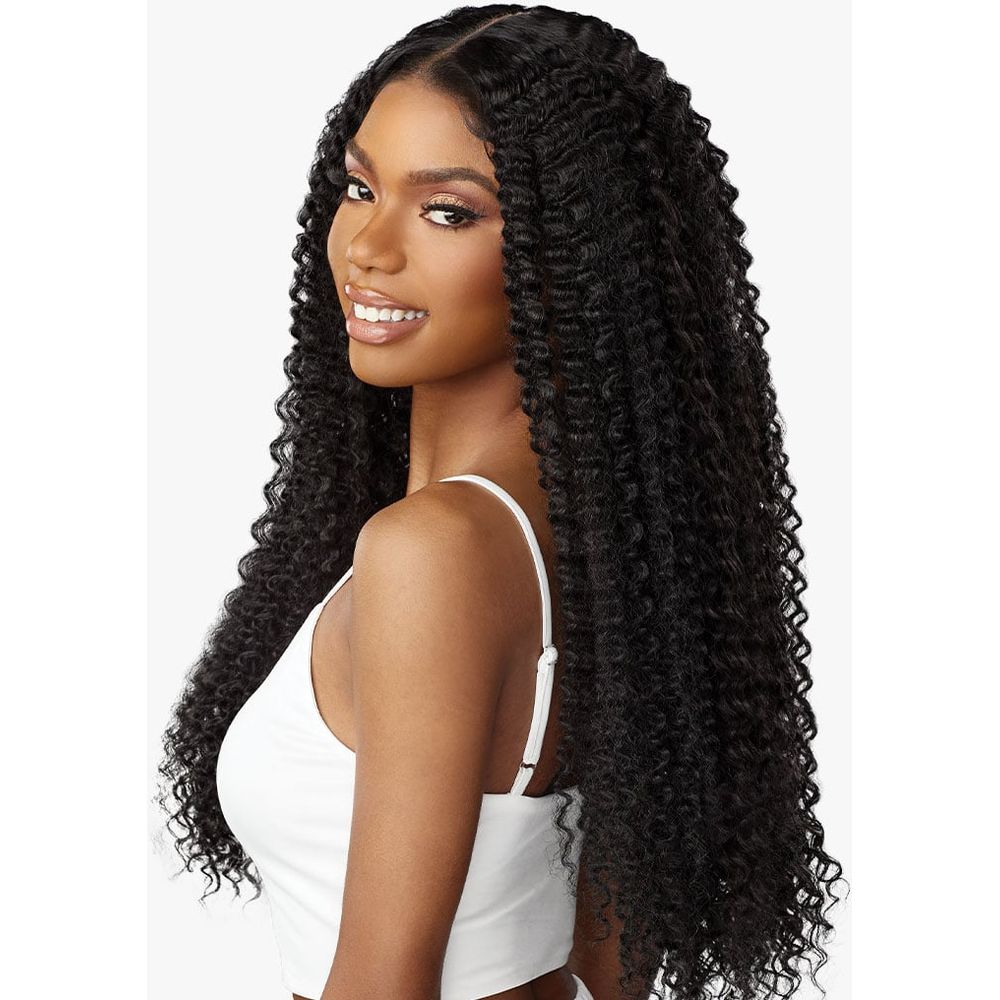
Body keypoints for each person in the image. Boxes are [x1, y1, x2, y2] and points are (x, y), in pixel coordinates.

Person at [155, 6, 848, 999]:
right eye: (361, 188)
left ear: (576, 252)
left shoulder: (435, 550)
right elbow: (610, 955)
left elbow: (385, 980)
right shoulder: (609, 533)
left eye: (448, 212)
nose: (367, 247)